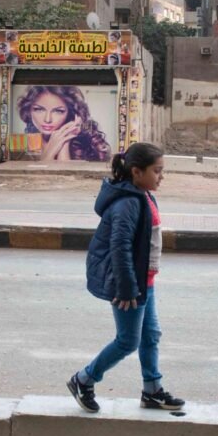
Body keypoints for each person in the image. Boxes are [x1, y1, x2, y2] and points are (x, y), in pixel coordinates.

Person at [66, 142, 186, 413]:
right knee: (127, 340)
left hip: (144, 281)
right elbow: (119, 248)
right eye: (157, 171)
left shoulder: (143, 195)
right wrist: (127, 288)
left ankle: (152, 390)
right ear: (136, 172)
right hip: (130, 285)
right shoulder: (128, 203)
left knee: (150, 335)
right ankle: (83, 379)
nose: (161, 176)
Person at [16, 86, 110, 162]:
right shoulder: (18, 143)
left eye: (58, 111)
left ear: (72, 113)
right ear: (28, 110)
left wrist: (65, 141)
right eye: (39, 109)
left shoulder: (88, 145)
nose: (47, 119)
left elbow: (67, 183)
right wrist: (48, 155)